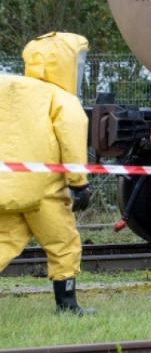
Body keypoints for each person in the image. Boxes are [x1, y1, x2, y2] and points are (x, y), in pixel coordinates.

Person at [0, 32, 95, 315]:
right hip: (45, 193)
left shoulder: (7, 87)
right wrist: (80, 185)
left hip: (8, 185)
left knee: (5, 239)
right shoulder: (63, 100)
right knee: (63, 244)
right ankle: (67, 306)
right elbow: (72, 142)